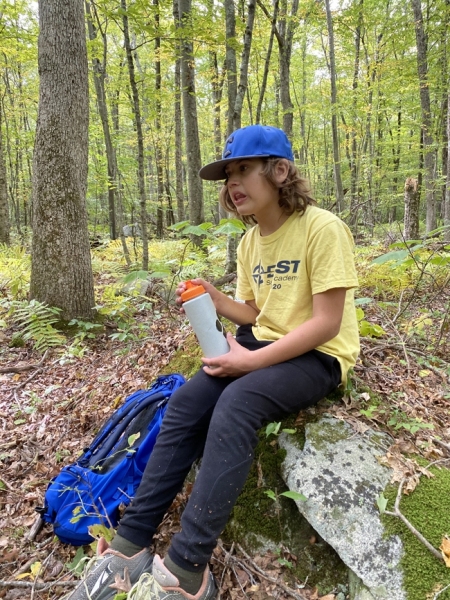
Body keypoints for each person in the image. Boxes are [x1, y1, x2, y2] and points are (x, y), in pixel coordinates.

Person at [67, 124, 359, 600]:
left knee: (237, 404)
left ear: (280, 171)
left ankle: (186, 569)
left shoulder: (322, 228)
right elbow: (257, 312)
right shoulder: (249, 243)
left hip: (317, 355)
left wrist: (250, 364)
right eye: (227, 176)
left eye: (242, 169)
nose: (232, 184)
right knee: (183, 403)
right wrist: (216, 300)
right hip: (261, 344)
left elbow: (327, 323)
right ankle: (128, 547)